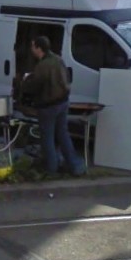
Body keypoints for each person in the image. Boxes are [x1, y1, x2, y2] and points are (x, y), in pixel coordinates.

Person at [22, 36, 86, 176]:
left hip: (48, 106)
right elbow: (66, 79)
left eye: (33, 46)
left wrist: (25, 81)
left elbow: (34, 86)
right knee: (63, 134)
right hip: (63, 102)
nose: (31, 49)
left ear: (39, 48)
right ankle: (74, 166)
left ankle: (51, 169)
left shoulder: (42, 66)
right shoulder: (58, 60)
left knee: (47, 138)